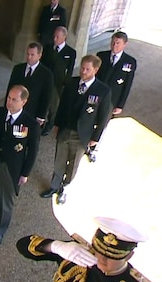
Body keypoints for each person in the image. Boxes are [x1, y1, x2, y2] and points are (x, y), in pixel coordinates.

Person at [16, 216, 159, 282]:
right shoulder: (78, 255)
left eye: (111, 257)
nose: (101, 260)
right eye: (98, 252)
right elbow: (23, 245)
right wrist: (54, 246)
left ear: (129, 256)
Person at [40, 55, 111, 203]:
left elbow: (103, 117)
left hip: (82, 135)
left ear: (95, 70)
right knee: (59, 159)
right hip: (66, 129)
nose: (83, 72)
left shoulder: (102, 90)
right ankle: (54, 185)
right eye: (82, 67)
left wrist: (95, 138)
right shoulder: (71, 83)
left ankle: (65, 187)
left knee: (73, 163)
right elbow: (63, 105)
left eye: (87, 69)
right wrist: (57, 124)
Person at [0, 85, 40, 248]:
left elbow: (32, 151)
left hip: (12, 166)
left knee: (6, 200)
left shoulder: (30, 124)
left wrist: (25, 173)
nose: (9, 102)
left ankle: (0, 230)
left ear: (24, 101)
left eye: (14, 100)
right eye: (8, 98)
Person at [6, 42, 54, 128]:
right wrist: (6, 107)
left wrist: (41, 116)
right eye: (27, 54)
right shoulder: (18, 69)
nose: (29, 57)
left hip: (32, 112)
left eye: (32, 55)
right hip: (15, 109)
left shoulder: (46, 74)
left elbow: (46, 96)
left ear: (39, 55)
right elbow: (10, 88)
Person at [41, 26, 76, 135]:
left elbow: (69, 70)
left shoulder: (70, 52)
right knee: (42, 102)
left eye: (57, 36)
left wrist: (66, 83)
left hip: (58, 83)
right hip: (45, 80)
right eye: (54, 36)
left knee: (54, 106)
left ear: (64, 37)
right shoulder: (47, 48)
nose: (54, 39)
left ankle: (50, 124)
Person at [96, 31, 137, 116]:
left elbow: (127, 85)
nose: (115, 45)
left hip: (112, 99)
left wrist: (120, 105)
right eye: (113, 42)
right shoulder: (101, 56)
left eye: (118, 43)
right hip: (98, 95)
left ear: (125, 44)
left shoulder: (129, 62)